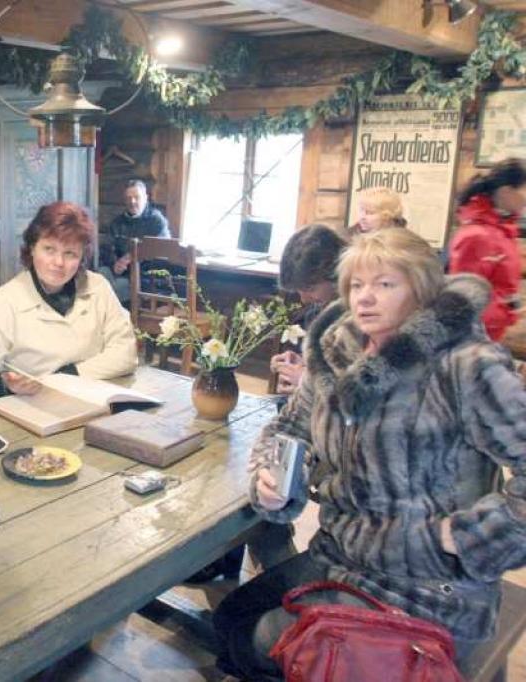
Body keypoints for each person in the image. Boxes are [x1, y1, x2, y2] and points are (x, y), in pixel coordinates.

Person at [214, 228, 526, 680]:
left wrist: (466, 538)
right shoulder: (335, 351)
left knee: (254, 642)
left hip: (427, 581)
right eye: (357, 285)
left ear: (420, 289)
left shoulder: (465, 365)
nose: (365, 298)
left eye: (385, 284)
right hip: (340, 553)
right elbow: (288, 426)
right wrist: (272, 473)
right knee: (229, 620)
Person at [0, 201, 136, 404]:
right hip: (27, 409)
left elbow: (126, 353)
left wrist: (68, 375)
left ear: (81, 257)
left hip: (93, 402)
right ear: (32, 248)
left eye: (70, 253)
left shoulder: (98, 287)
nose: (58, 262)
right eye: (49, 249)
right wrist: (2, 383)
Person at [448, 158, 526, 341]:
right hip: (471, 341)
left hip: (489, 336)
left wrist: (511, 306)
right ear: (507, 191)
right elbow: (463, 300)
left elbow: (500, 284)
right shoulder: (476, 235)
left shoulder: (504, 230)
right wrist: (507, 312)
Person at [270, 224, 346, 394]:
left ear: (336, 275)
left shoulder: (355, 322)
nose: (303, 299)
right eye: (299, 290)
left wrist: (305, 381)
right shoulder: (318, 312)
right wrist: (301, 363)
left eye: (310, 289)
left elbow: (356, 392)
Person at [99, 179, 171, 303]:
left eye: (136, 197)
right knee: (100, 275)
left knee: (114, 289)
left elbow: (162, 253)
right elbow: (106, 249)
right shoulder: (117, 223)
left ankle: (111, 318)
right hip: (120, 272)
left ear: (146, 198)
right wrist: (115, 264)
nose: (132, 202)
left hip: (144, 278)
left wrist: (134, 257)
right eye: (128, 198)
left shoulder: (156, 221)